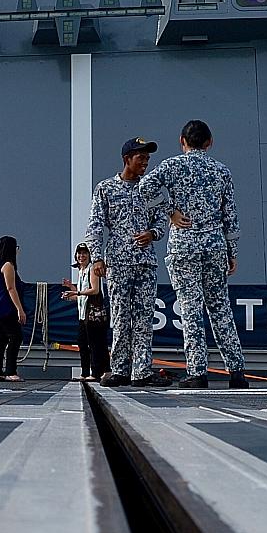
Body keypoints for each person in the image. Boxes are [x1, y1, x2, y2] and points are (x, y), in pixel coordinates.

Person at [137, 120, 247, 388]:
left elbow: (143, 189)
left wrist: (169, 212)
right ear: (209, 142)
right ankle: (237, 372)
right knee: (220, 308)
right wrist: (232, 252)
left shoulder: (172, 166)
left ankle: (198, 372)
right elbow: (230, 216)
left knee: (191, 309)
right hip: (214, 246)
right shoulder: (222, 171)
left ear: (182, 141)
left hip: (184, 246)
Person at [87, 137, 172, 388]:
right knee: (121, 318)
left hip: (145, 263)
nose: (145, 162)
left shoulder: (152, 191)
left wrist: (152, 234)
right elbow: (95, 225)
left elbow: (162, 221)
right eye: (140, 158)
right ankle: (120, 370)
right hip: (119, 263)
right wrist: (97, 258)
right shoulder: (105, 188)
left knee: (144, 318)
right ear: (127, 159)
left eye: (147, 158)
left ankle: (142, 371)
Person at [62, 242, 109, 381]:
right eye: (79, 253)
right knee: (82, 343)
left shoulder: (92, 269)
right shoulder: (81, 271)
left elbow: (95, 290)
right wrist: (71, 292)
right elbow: (81, 297)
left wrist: (77, 291)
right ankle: (84, 372)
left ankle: (96, 373)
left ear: (89, 255)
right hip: (83, 315)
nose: (81, 256)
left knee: (95, 344)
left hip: (93, 314)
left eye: (84, 253)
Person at [0, 236, 27, 381]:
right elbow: (11, 288)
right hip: (6, 308)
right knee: (16, 337)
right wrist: (19, 309)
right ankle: (11, 371)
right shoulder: (8, 265)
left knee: (1, 339)